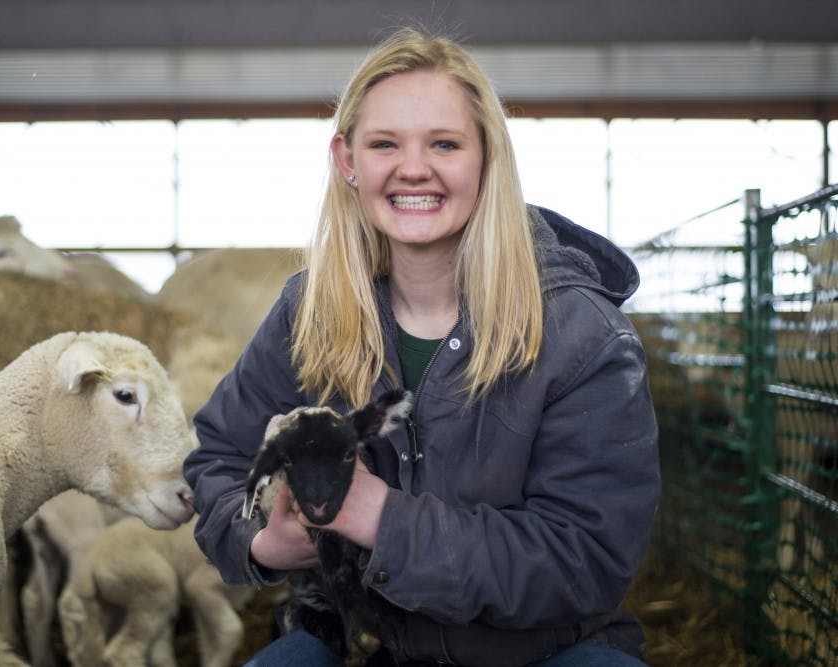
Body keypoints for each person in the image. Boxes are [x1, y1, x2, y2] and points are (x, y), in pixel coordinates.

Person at [182, 26, 660, 667]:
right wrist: (262, 542)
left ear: (486, 157)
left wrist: (383, 519)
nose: (413, 168)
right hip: (360, 641)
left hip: (541, 650)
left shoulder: (580, 333)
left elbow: (588, 556)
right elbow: (218, 456)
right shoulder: (311, 312)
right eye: (384, 144)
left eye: (444, 143)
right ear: (348, 161)